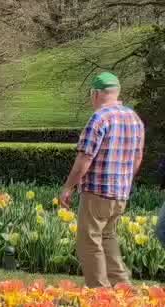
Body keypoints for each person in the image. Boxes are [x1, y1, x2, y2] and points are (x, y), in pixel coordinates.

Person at [59, 72, 144, 288]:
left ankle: (99, 292)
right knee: (108, 237)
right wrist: (125, 182)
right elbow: (137, 158)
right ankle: (122, 287)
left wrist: (68, 187)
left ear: (96, 94)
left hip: (97, 192)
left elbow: (84, 159)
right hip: (120, 194)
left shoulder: (100, 118)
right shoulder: (134, 119)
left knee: (89, 241)